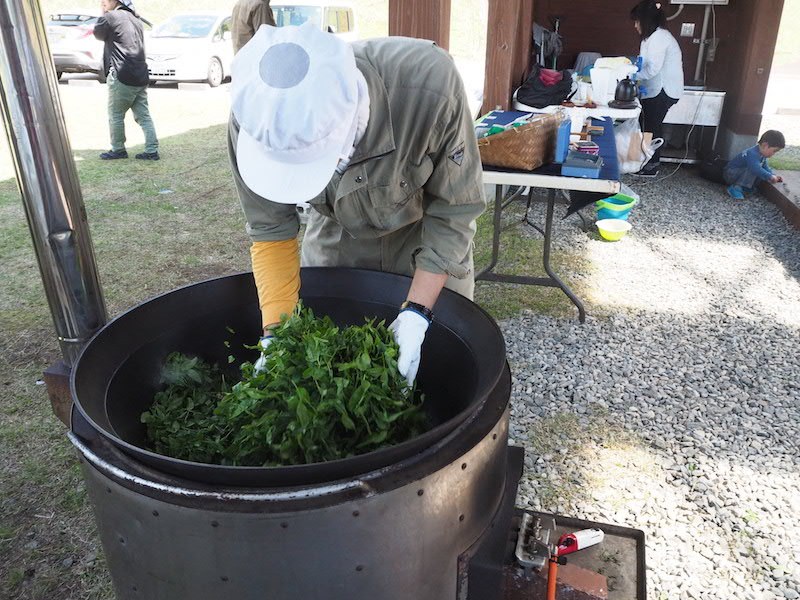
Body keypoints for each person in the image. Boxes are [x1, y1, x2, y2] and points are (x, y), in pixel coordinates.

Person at [227, 24, 485, 385]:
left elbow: (455, 209)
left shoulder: (430, 85)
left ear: (349, 126)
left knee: (439, 365)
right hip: (336, 233)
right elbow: (271, 229)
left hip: (423, 235)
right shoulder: (253, 115)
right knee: (330, 367)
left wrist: (416, 313)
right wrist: (275, 334)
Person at [93, 0, 159, 161]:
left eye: (104, 1)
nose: (102, 3)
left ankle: (118, 149)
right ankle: (152, 150)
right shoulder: (135, 19)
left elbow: (97, 33)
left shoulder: (110, 17)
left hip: (122, 75)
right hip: (140, 74)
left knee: (115, 114)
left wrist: (104, 14)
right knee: (143, 115)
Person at [630, 0, 683, 177]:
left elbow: (652, 70)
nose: (635, 25)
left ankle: (652, 165)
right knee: (646, 124)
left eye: (637, 21)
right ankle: (644, 161)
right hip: (654, 89)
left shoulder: (660, 38)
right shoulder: (649, 39)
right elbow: (643, 64)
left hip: (663, 89)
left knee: (652, 126)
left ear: (645, 20)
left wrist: (630, 74)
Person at [724, 130, 785, 200]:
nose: (774, 154)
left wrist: (773, 175)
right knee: (755, 169)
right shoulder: (752, 154)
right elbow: (755, 169)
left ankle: (745, 187)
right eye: (774, 151)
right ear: (765, 145)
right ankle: (735, 188)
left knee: (760, 170)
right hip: (730, 174)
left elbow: (765, 167)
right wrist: (769, 176)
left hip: (738, 174)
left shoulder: (762, 155)